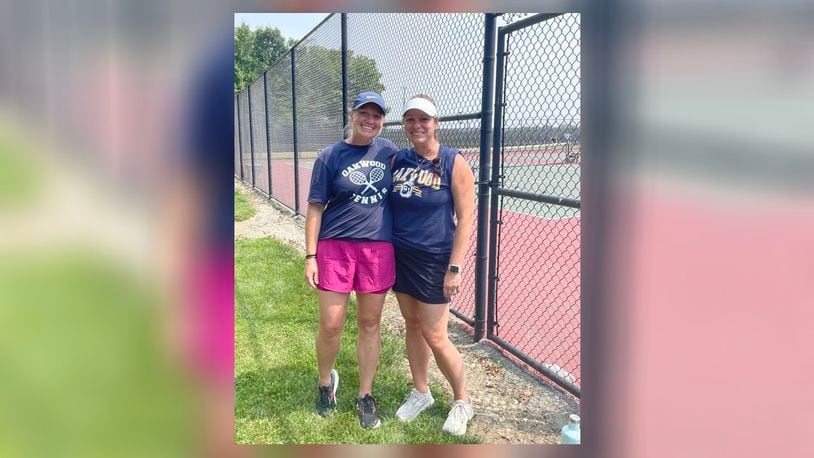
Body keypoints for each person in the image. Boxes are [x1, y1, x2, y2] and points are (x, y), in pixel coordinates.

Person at [304, 91, 398, 429]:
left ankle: (365, 395)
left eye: (376, 115)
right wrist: (311, 255)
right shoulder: (330, 156)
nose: (370, 120)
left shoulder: (389, 152)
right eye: (364, 113)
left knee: (370, 323)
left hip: (377, 249)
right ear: (352, 114)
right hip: (335, 248)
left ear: (383, 120)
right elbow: (315, 206)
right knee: (331, 324)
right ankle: (326, 384)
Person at [389, 94, 476, 436]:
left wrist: (454, 267)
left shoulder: (453, 162)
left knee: (436, 335)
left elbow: (466, 218)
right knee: (412, 325)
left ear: (435, 123)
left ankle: (462, 401)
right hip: (402, 256)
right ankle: (421, 392)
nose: (417, 125)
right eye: (410, 119)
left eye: (423, 119)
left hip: (435, 260)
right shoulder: (399, 160)